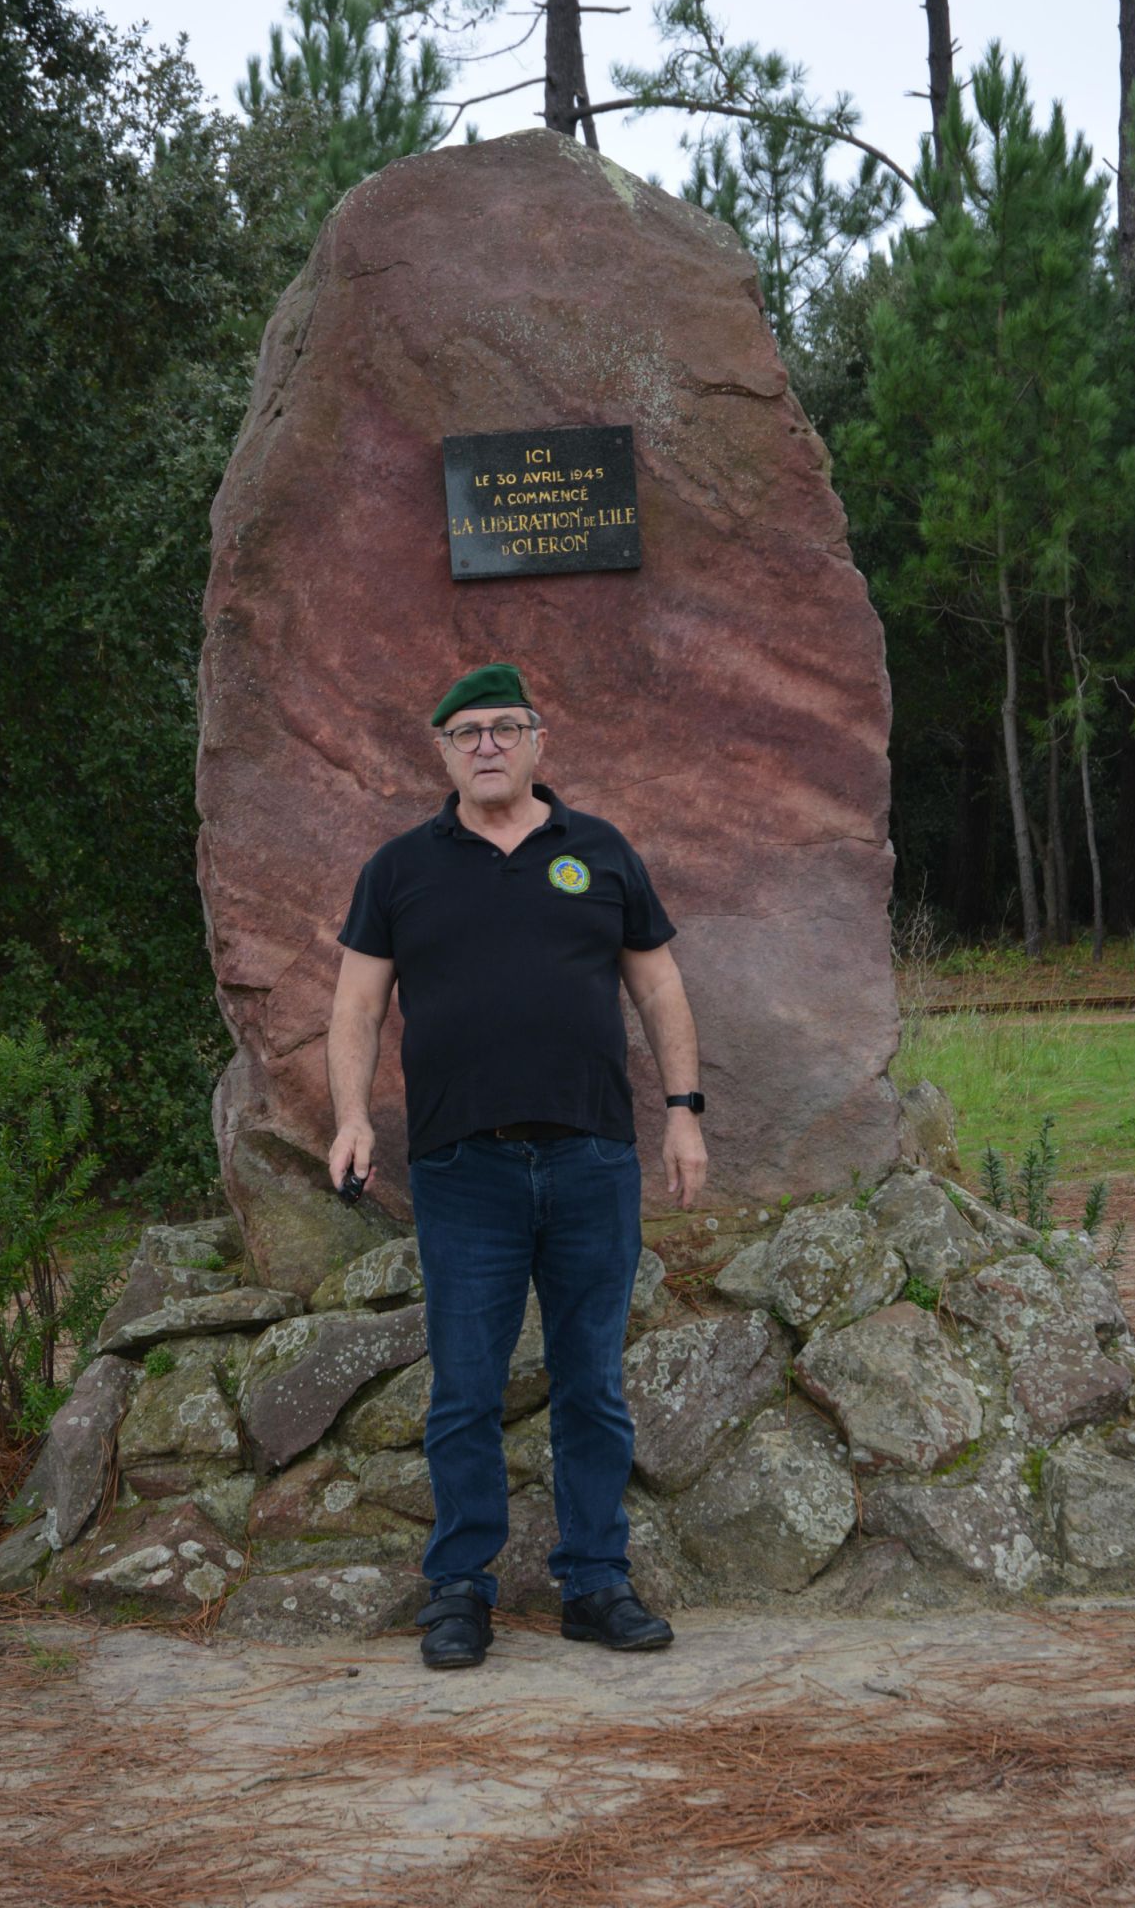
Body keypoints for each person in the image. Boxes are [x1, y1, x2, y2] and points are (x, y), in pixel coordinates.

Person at [326, 663, 708, 1668]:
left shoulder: (600, 850)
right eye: (466, 731)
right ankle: (460, 1589)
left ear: (539, 740)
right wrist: (350, 1118)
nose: (486, 744)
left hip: (591, 1158)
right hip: (463, 1169)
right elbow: (356, 1005)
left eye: (505, 726)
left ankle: (595, 1582)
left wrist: (683, 1114)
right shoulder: (399, 868)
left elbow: (658, 987)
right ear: (442, 751)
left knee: (591, 1383)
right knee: (464, 1388)